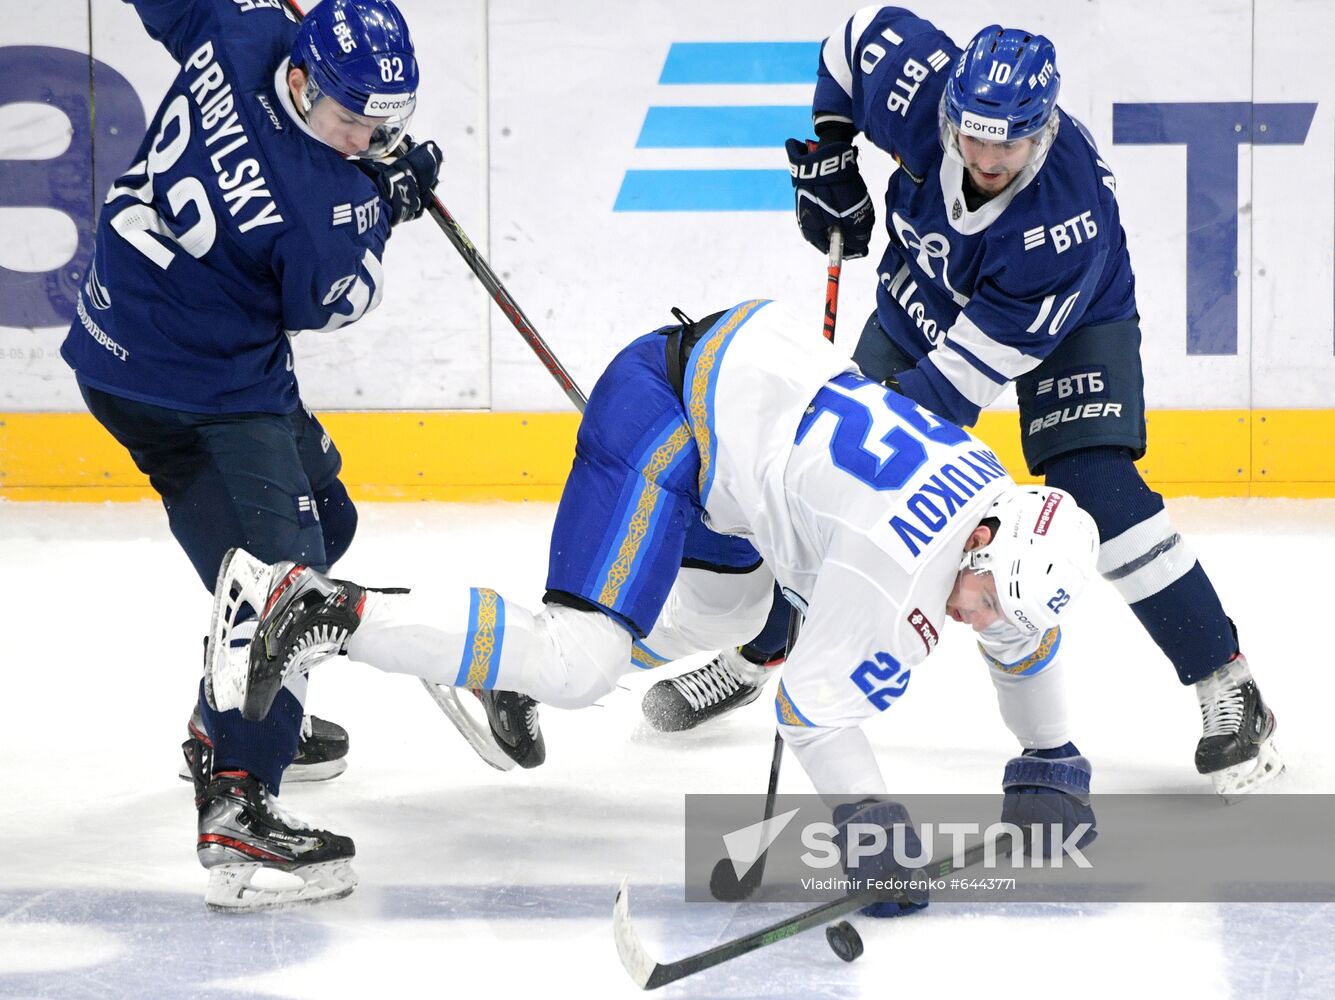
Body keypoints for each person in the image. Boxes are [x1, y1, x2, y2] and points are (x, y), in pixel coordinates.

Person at [202, 298, 1101, 913]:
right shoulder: (892, 567)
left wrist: (1050, 752)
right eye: (982, 599)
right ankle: (320, 606)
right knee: (577, 660)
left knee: (732, 615)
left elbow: (1025, 636)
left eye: (994, 608)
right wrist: (871, 832)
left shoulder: (993, 495)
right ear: (980, 543)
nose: (977, 619)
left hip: (750, 414)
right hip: (674, 413)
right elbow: (812, 714)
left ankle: (505, 672)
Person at [658, 8, 1282, 801]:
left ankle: (1223, 678)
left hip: (1066, 325)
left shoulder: (1064, 224)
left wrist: (864, 444)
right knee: (824, 481)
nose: (986, 157)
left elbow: (950, 391)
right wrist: (830, 151)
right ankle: (765, 648)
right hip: (917, 297)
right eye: (971, 136)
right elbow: (851, 43)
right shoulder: (920, 86)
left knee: (1097, 487)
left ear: (1044, 130)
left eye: (1008, 143)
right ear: (948, 108)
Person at [59, 0, 448, 909]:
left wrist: (369, 164)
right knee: (290, 591)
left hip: (125, 348)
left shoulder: (241, 30)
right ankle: (238, 801)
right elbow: (330, 302)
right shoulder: (328, 207)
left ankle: (234, 707)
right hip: (204, 394)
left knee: (329, 517)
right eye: (354, 120)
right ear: (305, 83)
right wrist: (385, 203)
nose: (367, 137)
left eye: (386, 122)